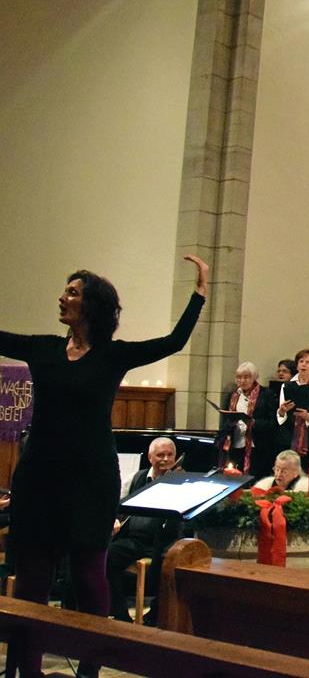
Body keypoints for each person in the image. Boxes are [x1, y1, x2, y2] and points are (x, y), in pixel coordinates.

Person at [0, 254, 207, 678]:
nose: (62, 298)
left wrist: (199, 293)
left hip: (90, 481)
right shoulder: (43, 348)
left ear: (91, 304)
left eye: (72, 293)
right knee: (32, 584)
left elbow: (173, 342)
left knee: (89, 576)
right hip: (39, 478)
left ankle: (90, 669)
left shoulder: (112, 356)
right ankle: (27, 671)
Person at [108, 437, 182, 624]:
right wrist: (116, 520)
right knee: (107, 557)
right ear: (150, 458)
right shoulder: (138, 477)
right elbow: (121, 506)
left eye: (169, 455)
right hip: (135, 540)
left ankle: (155, 615)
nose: (165, 459)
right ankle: (120, 613)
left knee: (170, 565)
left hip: (164, 541)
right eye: (160, 455)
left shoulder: (182, 480)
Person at [275, 348, 309, 466]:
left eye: (307, 362)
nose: (303, 365)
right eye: (301, 361)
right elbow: (280, 414)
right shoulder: (287, 386)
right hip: (289, 435)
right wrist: (282, 411)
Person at [218, 361, 275, 476]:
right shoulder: (232, 395)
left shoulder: (266, 394)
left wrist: (254, 423)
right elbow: (225, 420)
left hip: (257, 445)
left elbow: (273, 422)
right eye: (239, 377)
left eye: (246, 377)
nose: (242, 381)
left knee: (255, 477)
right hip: (235, 443)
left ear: (254, 378)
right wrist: (231, 421)